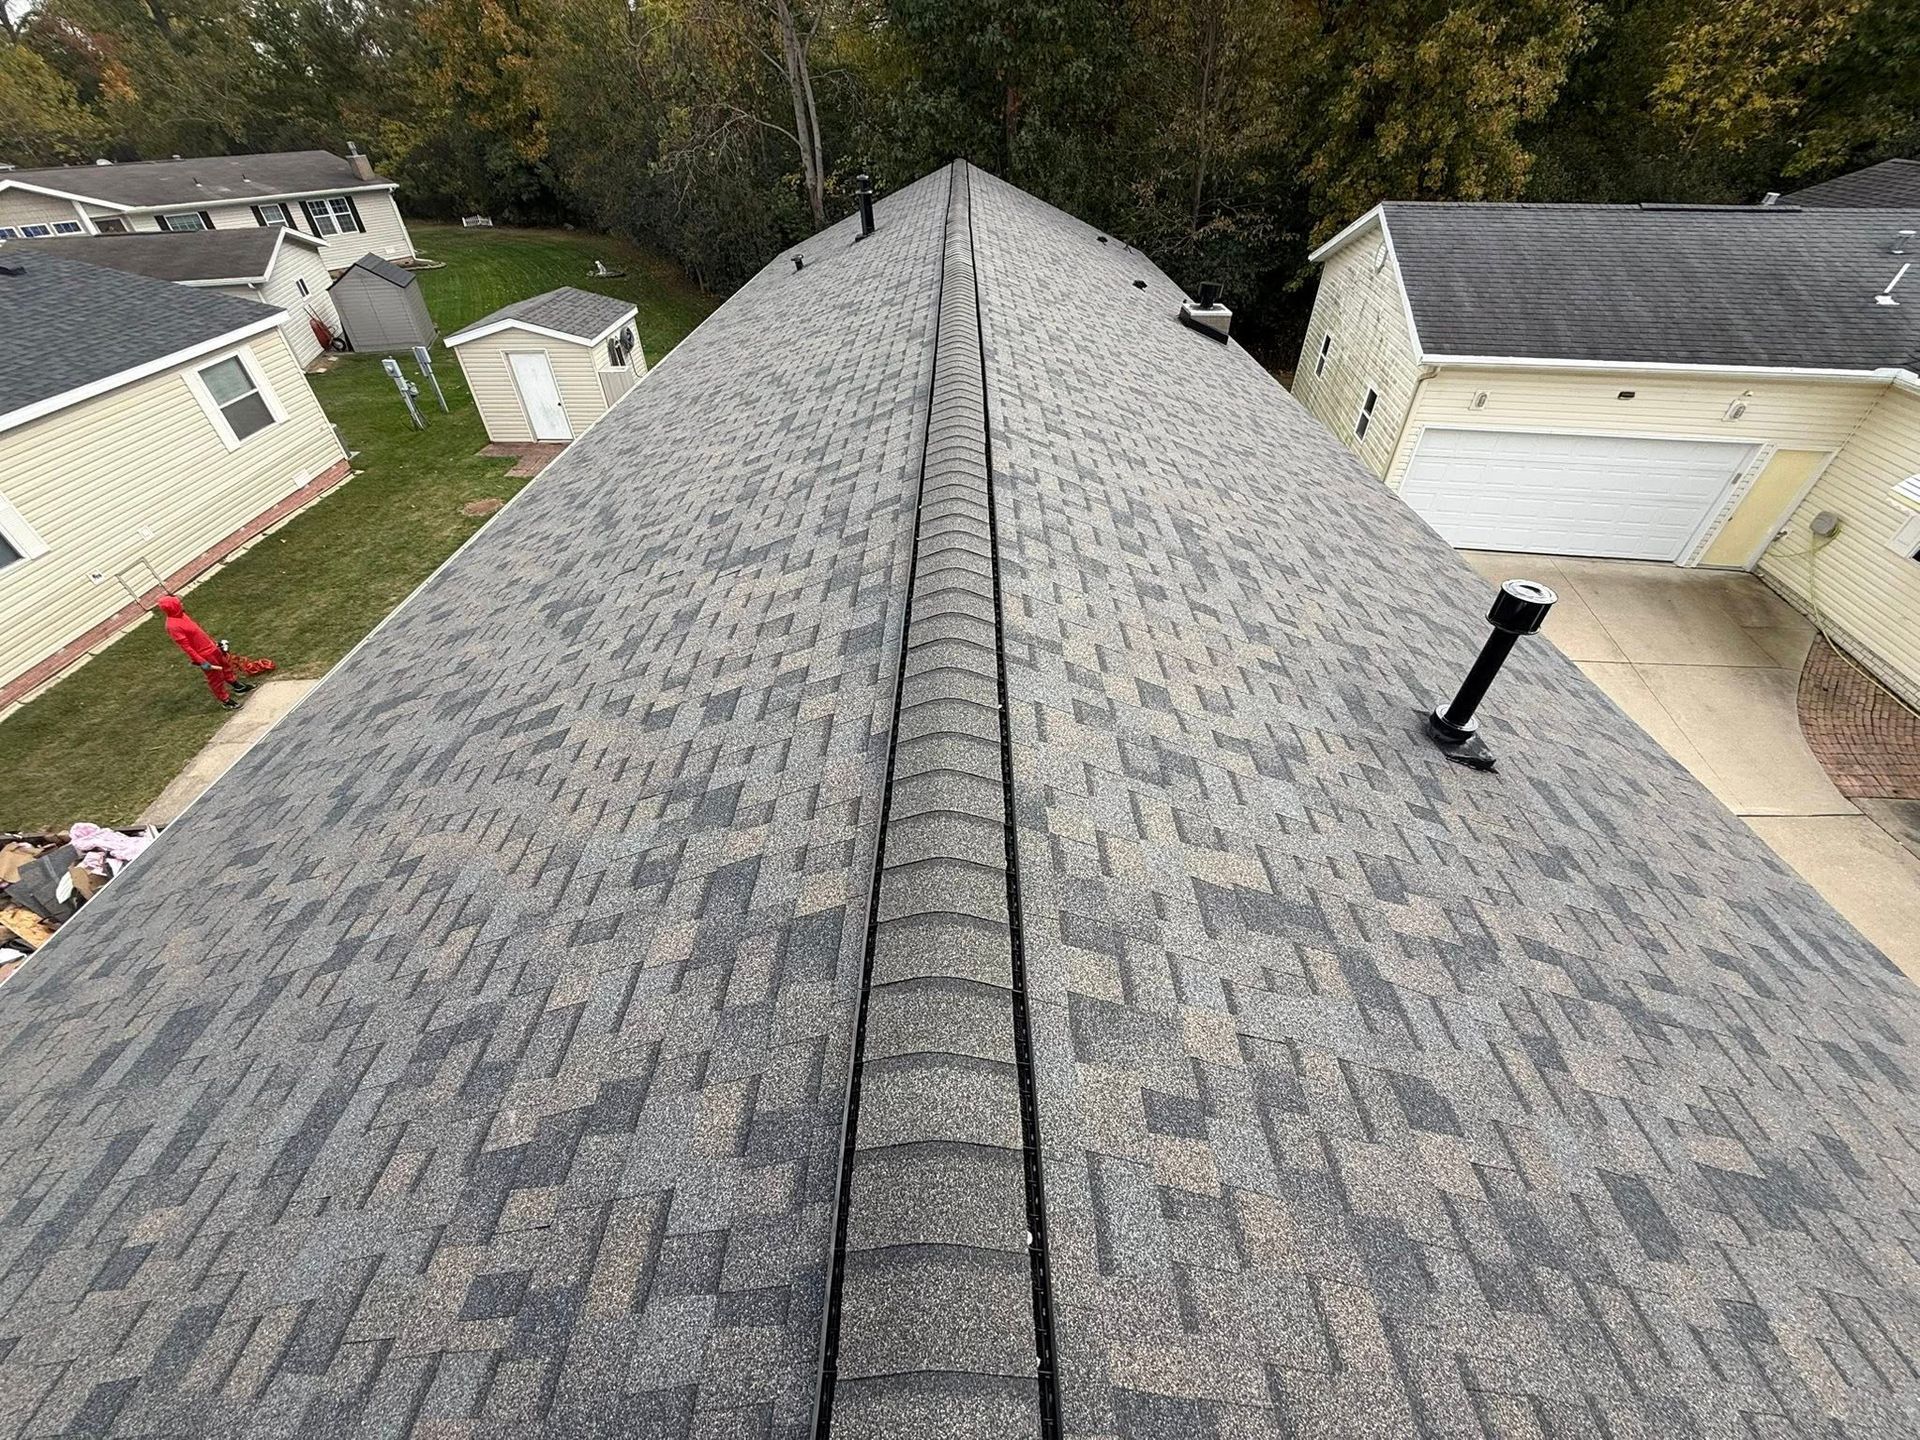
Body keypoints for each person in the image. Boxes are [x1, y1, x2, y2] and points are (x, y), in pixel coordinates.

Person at [157, 595, 253, 709]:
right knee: (215, 678)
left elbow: (199, 632)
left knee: (226, 666)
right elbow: (186, 647)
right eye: (179, 603)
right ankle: (225, 700)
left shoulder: (183, 615)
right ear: (173, 607)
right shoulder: (172, 626)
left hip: (212, 648)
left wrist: (214, 643)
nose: (182, 604)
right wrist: (201, 661)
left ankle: (237, 686)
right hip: (205, 655)